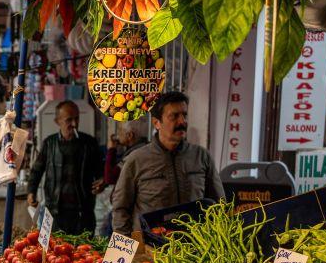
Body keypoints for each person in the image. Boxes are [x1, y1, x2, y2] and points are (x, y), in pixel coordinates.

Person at [111, 92, 225, 236]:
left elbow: (219, 204)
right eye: (174, 116)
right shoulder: (136, 160)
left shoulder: (201, 157)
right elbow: (120, 208)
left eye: (184, 115)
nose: (182, 122)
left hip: (195, 246)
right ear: (156, 122)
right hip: (150, 249)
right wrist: (125, 251)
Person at [27, 101, 103, 234]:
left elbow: (101, 172)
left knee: (84, 250)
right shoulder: (49, 144)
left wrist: (102, 182)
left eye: (77, 118)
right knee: (54, 250)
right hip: (55, 212)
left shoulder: (89, 144)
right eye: (69, 120)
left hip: (83, 213)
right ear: (57, 121)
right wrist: (31, 192)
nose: (74, 124)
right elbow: (36, 170)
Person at [95, 118, 149, 234]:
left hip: (129, 210)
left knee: (106, 234)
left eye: (120, 130)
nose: (117, 134)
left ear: (130, 135)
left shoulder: (135, 154)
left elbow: (111, 177)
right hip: (131, 207)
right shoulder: (142, 148)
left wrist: (111, 149)